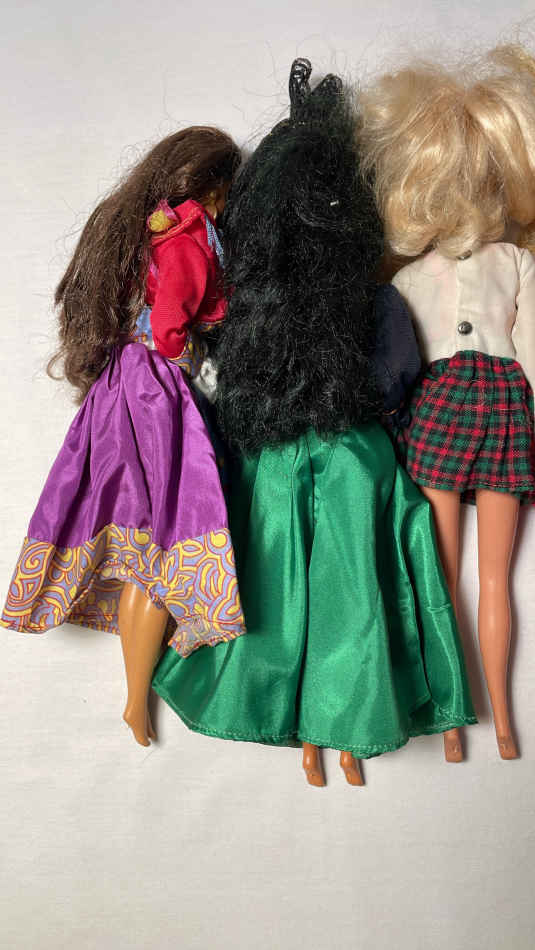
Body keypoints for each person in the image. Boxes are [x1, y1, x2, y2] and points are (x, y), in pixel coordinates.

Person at [151, 60, 476, 786]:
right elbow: (397, 375)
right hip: (354, 452)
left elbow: (222, 380)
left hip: (271, 455)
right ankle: (347, 725)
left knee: (273, 579)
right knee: (356, 583)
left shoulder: (248, 304)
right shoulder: (374, 300)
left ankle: (296, 720)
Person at [1, 127, 246, 747]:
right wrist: (195, 358)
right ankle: (138, 697)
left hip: (127, 382)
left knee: (148, 545)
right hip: (157, 391)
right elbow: (168, 329)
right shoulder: (188, 235)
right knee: (159, 545)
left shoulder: (148, 227)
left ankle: (138, 695)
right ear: (211, 186)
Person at [360, 44, 535, 760]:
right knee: (453, 576)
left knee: (479, 577)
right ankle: (465, 718)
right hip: (463, 409)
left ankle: (488, 718)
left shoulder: (507, 261)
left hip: (479, 411)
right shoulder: (414, 277)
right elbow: (397, 367)